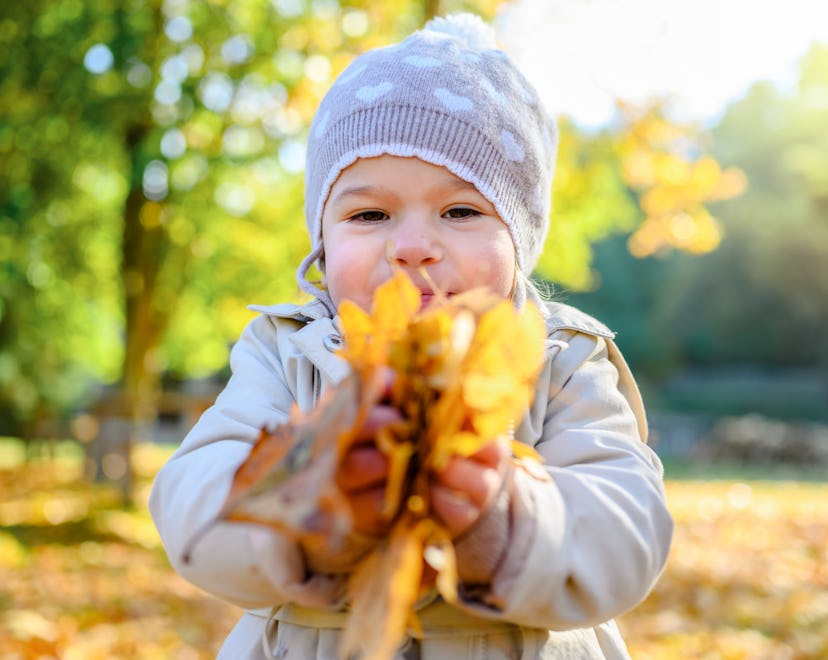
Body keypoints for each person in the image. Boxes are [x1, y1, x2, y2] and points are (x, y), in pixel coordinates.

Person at [149, 13, 673, 659]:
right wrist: (307, 508)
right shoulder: (285, 350)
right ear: (321, 238)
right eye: (369, 214)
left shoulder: (559, 356)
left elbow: (627, 532)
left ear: (521, 237)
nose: (413, 247)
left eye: (461, 211)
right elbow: (192, 504)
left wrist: (501, 518)